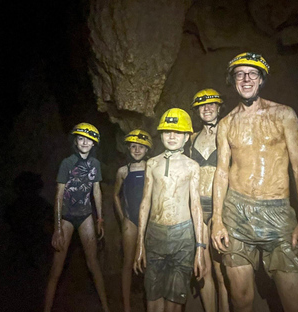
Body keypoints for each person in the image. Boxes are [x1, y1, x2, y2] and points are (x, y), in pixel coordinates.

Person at [211, 52, 298, 312]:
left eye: (252, 74)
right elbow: (222, 171)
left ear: (261, 79)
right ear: (233, 80)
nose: (246, 79)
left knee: (297, 304)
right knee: (242, 300)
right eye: (240, 74)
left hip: (277, 212)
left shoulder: (283, 115)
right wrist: (217, 219)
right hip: (237, 212)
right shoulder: (226, 123)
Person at [134, 108, 206, 312]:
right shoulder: (152, 163)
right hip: (154, 235)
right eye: (167, 131)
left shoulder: (192, 166)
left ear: (186, 137)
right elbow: (145, 202)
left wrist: (200, 248)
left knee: (174, 301)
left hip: (183, 236)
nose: (172, 136)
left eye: (178, 132)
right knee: (153, 298)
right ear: (161, 134)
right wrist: (140, 244)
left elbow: (195, 206)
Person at [44, 123, 110, 312]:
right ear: (76, 141)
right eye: (81, 138)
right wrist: (57, 228)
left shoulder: (95, 164)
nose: (84, 142)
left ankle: (106, 307)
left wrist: (100, 219)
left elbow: (96, 190)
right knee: (56, 269)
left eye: (88, 139)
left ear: (93, 143)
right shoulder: (67, 163)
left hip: (86, 215)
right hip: (66, 217)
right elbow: (58, 195)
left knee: (94, 264)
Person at [190, 89, 229, 312]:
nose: (207, 108)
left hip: (219, 208)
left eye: (211, 104)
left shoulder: (226, 133)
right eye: (202, 105)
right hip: (197, 207)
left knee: (221, 272)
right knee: (203, 271)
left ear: (219, 107)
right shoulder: (192, 138)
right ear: (196, 110)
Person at [114, 129, 153, 312]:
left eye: (141, 147)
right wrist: (122, 217)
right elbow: (115, 195)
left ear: (147, 149)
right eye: (133, 147)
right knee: (128, 263)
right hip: (130, 220)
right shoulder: (123, 171)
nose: (137, 150)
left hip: (149, 221)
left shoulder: (151, 167)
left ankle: (150, 304)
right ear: (128, 148)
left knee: (150, 263)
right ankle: (127, 307)